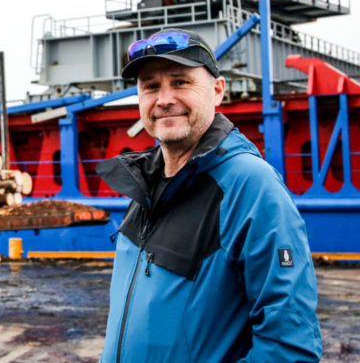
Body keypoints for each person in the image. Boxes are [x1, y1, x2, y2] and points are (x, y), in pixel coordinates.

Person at [96, 29, 321, 362]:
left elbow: (290, 347)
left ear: (217, 91)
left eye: (181, 82)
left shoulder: (250, 185)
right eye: (150, 86)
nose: (164, 99)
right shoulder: (144, 185)